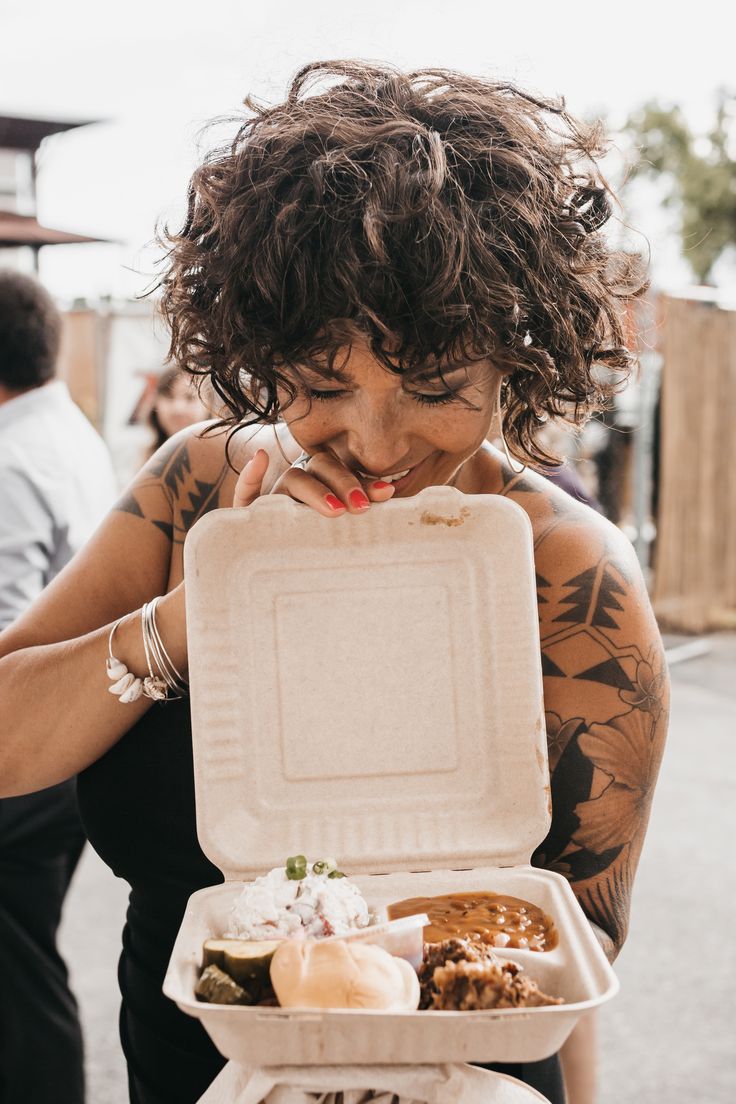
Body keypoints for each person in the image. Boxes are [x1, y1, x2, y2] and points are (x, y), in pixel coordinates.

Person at [0, 63, 669, 1104]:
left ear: (513, 362)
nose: (373, 438)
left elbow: (567, 951)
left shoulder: (575, 578)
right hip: (180, 1067)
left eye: (437, 388)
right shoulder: (192, 494)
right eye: (319, 384)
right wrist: (198, 615)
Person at [0, 269, 117, 1104]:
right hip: (74, 747)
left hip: (29, 751)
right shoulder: (68, 431)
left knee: (16, 967)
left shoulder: (8, 459)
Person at [143, 363, 213, 462]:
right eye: (169, 396)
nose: (178, 408)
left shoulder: (225, 456)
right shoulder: (140, 457)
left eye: (189, 398)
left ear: (209, 405)